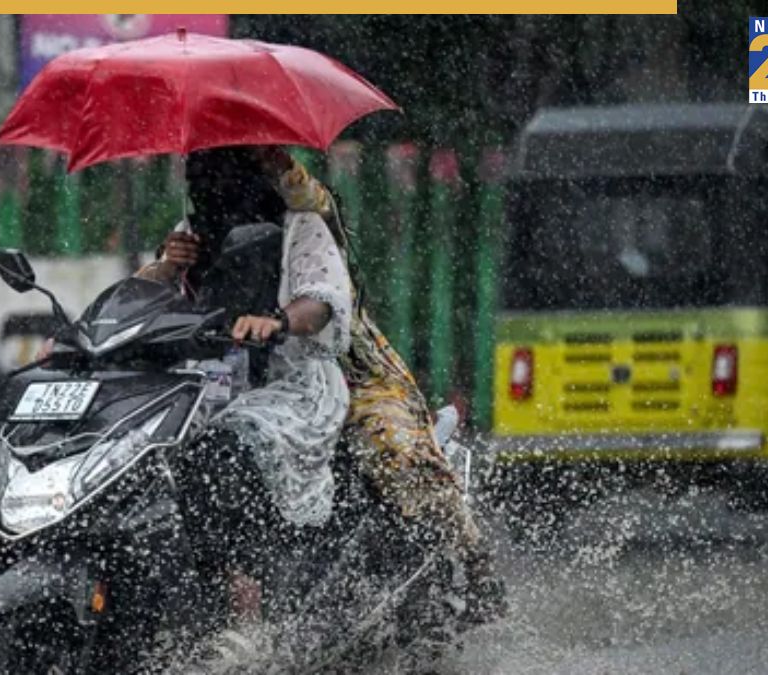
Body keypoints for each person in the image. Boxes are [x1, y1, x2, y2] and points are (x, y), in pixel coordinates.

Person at [230, 149, 507, 627]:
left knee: (396, 450)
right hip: (262, 384)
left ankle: (479, 566)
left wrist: (276, 163)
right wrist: (169, 263)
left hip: (352, 373)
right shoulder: (209, 233)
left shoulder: (308, 227)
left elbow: (313, 217)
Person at [138, 147, 354, 617]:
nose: (211, 186)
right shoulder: (189, 234)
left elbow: (321, 300)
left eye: (224, 172)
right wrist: (166, 266)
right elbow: (142, 298)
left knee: (218, 459)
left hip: (288, 386)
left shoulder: (304, 225)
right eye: (201, 174)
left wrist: (277, 322)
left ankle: (246, 606)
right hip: (200, 388)